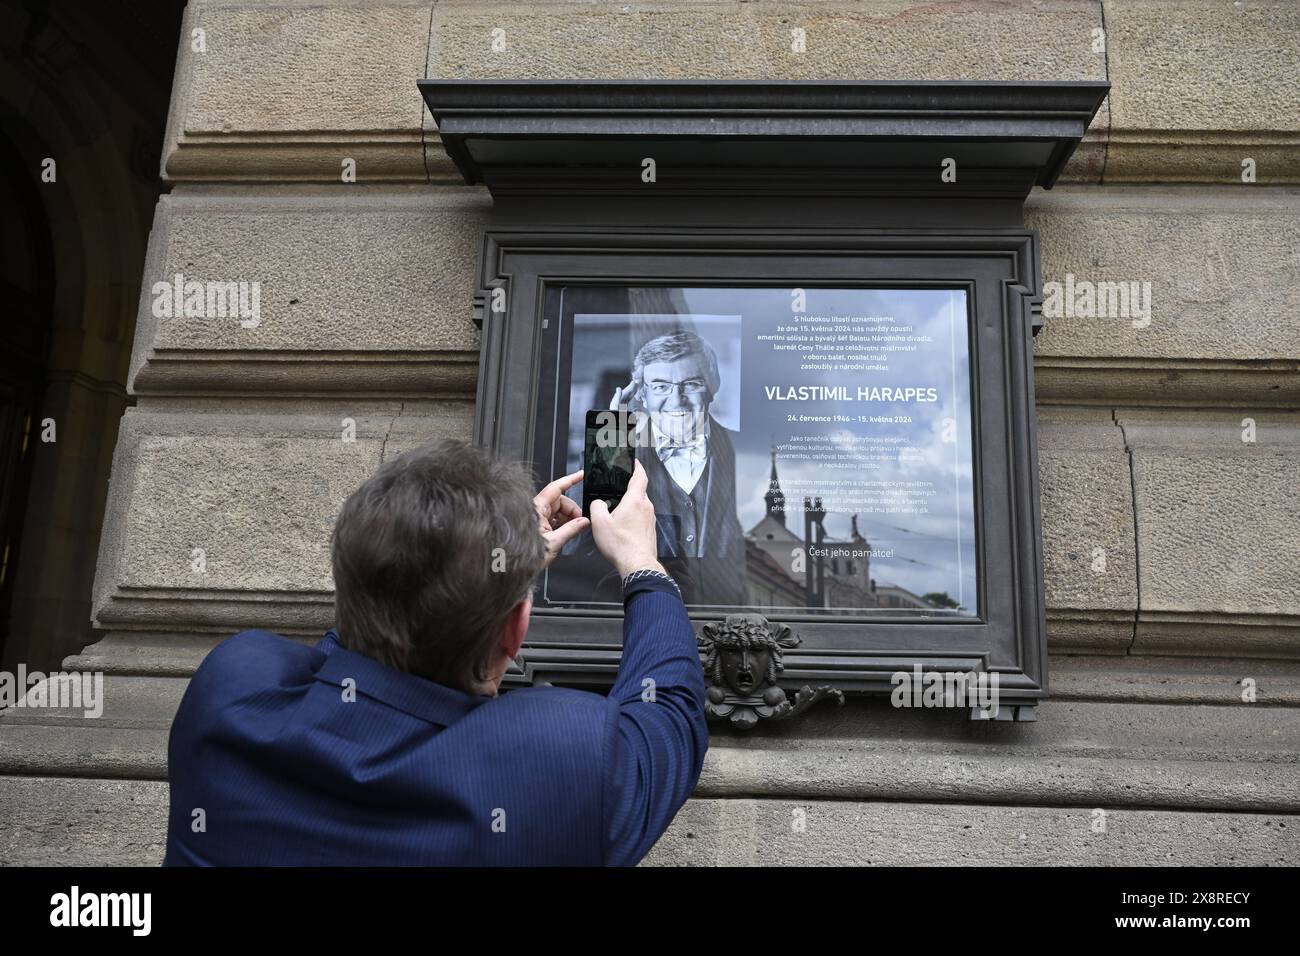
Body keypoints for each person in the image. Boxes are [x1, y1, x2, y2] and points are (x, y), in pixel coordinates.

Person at [163, 438, 708, 866]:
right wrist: (642, 564)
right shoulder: (563, 764)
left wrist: (486, 574)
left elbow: (356, 634)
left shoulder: (230, 693)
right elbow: (670, 717)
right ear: (513, 635)